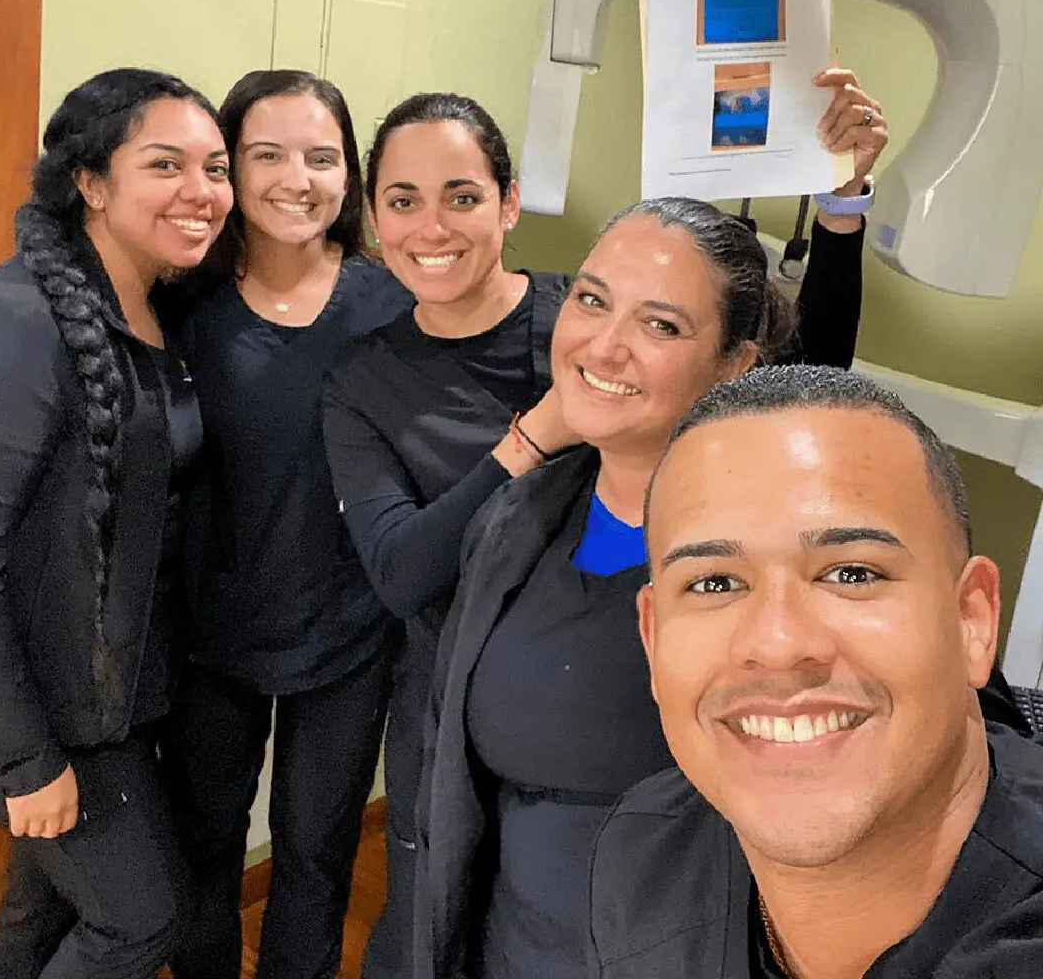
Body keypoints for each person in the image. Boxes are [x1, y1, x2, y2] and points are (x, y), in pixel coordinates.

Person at [322, 69, 884, 979]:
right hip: (479, 802)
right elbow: (404, 572)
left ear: (507, 205)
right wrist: (540, 433)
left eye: (657, 323)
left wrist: (842, 204)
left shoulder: (752, 562)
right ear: (374, 219)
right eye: (594, 303)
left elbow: (801, 382)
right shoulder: (514, 501)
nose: (607, 342)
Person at [588, 365, 1043, 977]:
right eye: (714, 582)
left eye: (852, 574)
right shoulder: (642, 858)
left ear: (972, 620)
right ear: (652, 636)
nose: (776, 644)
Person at [0, 69, 233, 978]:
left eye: (216, 167)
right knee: (142, 917)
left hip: (114, 695)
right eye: (167, 164)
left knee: (40, 914)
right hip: (36, 711)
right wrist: (24, 759)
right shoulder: (11, 319)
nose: (201, 192)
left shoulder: (152, 311)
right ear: (89, 181)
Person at [160, 70, 411, 979]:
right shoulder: (179, 303)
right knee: (204, 851)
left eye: (321, 156)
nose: (295, 177)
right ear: (228, 168)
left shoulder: (392, 307)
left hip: (347, 637)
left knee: (315, 854)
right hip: (207, 636)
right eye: (266, 154)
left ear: (349, 175)